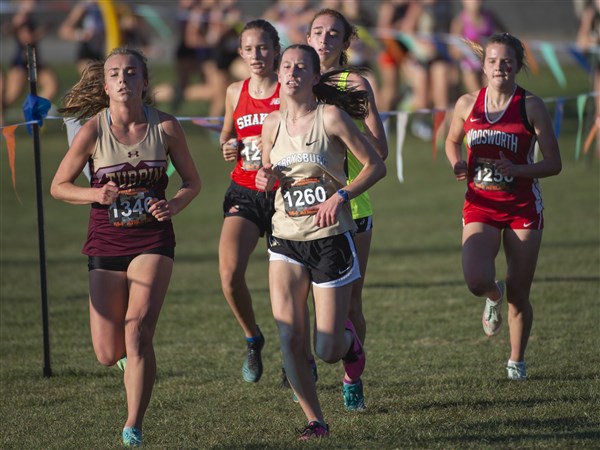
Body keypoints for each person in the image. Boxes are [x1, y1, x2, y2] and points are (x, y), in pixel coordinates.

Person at [50, 48, 201, 447]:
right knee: (106, 352)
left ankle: (133, 425)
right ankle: (137, 363)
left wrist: (173, 205)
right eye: (115, 73)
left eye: (131, 72)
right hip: (106, 241)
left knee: (137, 332)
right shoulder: (93, 131)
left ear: (144, 82)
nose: (123, 79)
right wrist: (95, 195)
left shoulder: (165, 127)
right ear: (105, 85)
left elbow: (192, 182)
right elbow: (59, 186)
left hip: (152, 240)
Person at [255, 44, 386, 439]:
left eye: (302, 67)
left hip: (330, 240)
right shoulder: (270, 125)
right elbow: (269, 173)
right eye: (287, 66)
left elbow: (375, 165)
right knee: (289, 335)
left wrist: (341, 196)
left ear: (315, 77)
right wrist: (266, 179)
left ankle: (350, 346)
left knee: (327, 348)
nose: (293, 72)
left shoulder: (330, 117)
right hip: (286, 239)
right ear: (278, 75)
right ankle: (316, 420)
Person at [445, 33, 561, 381]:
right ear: (483, 66)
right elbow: (452, 140)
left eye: (507, 61)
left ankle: (516, 361)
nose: (500, 67)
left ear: (518, 65)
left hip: (522, 208)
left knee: (520, 292)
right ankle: (492, 295)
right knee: (476, 278)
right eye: (493, 61)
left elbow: (554, 163)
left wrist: (520, 169)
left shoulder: (531, 105)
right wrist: (456, 163)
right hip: (480, 205)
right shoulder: (467, 103)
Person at [306, 7, 388, 411]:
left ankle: (352, 375)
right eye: (317, 32)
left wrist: (341, 139)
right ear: (306, 38)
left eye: (332, 34)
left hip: (351, 207)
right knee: (301, 295)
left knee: (351, 301)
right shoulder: (292, 80)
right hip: (301, 210)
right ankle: (303, 363)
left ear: (345, 43)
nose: (323, 40)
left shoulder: (353, 83)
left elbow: (381, 150)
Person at [218, 19, 281, 384]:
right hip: (243, 191)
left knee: (288, 286)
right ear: (240, 53)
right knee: (229, 276)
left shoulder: (289, 90)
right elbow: (228, 133)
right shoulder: (233, 91)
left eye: (263, 48)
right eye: (249, 49)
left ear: (275, 50)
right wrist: (228, 145)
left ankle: (297, 356)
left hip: (284, 194)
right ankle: (253, 339)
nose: (256, 55)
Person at [1, 0, 59, 123]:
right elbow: (27, 39)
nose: (34, 4)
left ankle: (31, 111)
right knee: (10, 97)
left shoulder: (30, 17)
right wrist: (45, 29)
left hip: (36, 62)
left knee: (52, 84)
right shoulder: (21, 18)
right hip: (21, 64)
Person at [450, 0, 505, 93]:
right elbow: (453, 51)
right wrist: (471, 48)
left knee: (491, 93)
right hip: (469, 64)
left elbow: (505, 36)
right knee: (477, 97)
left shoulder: (490, 16)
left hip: (489, 62)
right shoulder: (459, 21)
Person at [58, 0, 106, 74]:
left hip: (103, 51)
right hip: (87, 52)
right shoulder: (84, 8)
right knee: (93, 77)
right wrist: (82, 35)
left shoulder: (108, 7)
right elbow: (64, 31)